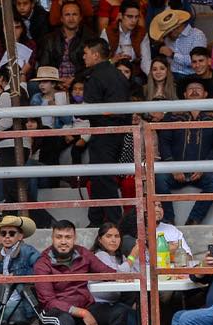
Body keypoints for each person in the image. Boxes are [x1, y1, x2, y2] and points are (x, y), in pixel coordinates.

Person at [33, 220, 135, 325]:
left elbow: (106, 272)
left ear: (75, 238)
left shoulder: (83, 254)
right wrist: (82, 313)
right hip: (54, 313)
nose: (64, 241)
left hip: (84, 308)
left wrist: (130, 275)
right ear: (52, 238)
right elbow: (49, 301)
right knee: (63, 319)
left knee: (119, 311)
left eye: (68, 237)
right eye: (59, 237)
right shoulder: (42, 263)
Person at [154, 79, 213, 225]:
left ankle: (194, 219)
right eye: (190, 89)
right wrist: (172, 166)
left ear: (205, 94)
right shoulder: (172, 115)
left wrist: (205, 167)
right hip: (175, 170)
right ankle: (168, 220)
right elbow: (164, 141)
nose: (194, 91)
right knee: (158, 178)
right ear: (184, 94)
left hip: (202, 171)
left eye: (198, 88)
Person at [82, 38, 131, 230]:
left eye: (86, 53)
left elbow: (89, 109)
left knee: (104, 177)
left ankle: (114, 223)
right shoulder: (118, 75)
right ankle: (96, 218)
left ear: (95, 54)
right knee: (99, 176)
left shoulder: (96, 76)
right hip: (117, 132)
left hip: (104, 132)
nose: (84, 57)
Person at [0, 214, 41, 323]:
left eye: (12, 233)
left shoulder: (28, 251)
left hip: (22, 306)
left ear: (20, 236)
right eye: (3, 233)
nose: (7, 237)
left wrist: (16, 276)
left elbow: (41, 271)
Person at [36, 1, 95, 88]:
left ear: (80, 18)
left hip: (81, 81)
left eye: (74, 14)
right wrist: (56, 81)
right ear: (61, 19)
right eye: (67, 15)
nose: (71, 19)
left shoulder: (90, 37)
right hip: (54, 83)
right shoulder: (50, 39)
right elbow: (44, 66)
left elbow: (94, 65)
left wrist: (75, 79)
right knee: (33, 86)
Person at [149, 7, 203, 79]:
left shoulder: (197, 35)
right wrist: (158, 45)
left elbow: (197, 62)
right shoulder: (167, 38)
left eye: (168, 32)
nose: (167, 35)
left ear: (176, 28)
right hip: (170, 75)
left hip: (191, 76)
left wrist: (173, 55)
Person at [103, 0, 149, 76]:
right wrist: (112, 60)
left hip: (134, 74)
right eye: (130, 16)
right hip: (113, 72)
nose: (134, 20)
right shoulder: (108, 32)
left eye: (136, 17)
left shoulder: (142, 33)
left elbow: (146, 62)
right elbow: (101, 63)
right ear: (120, 15)